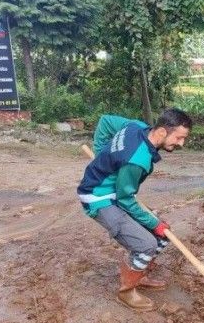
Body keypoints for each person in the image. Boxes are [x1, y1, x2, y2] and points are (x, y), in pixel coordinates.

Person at [77, 109, 192, 310]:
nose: (181, 144)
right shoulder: (137, 159)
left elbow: (105, 121)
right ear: (163, 132)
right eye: (179, 138)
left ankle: (139, 274)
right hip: (99, 198)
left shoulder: (136, 126)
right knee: (147, 243)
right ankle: (127, 292)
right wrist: (155, 224)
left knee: (164, 236)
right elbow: (125, 200)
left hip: (115, 193)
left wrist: (104, 156)